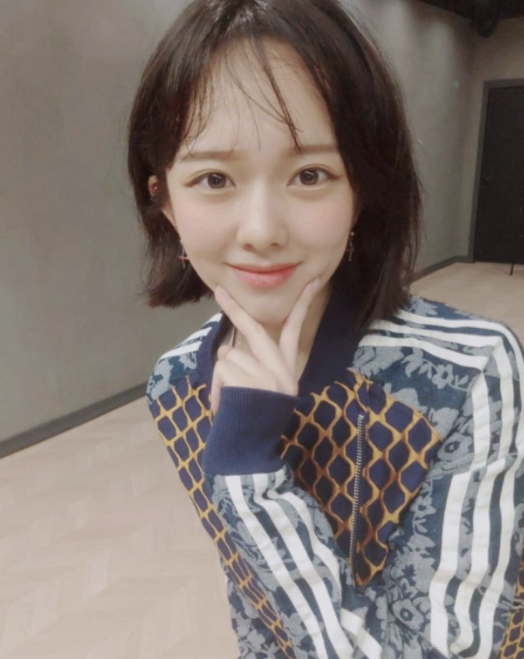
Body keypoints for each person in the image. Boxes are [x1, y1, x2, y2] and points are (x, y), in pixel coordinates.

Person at [127, 0, 524, 657]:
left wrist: (250, 473)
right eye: (214, 178)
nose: (261, 230)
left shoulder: (469, 371)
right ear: (164, 200)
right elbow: (255, 602)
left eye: (310, 174)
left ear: (360, 190)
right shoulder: (175, 382)